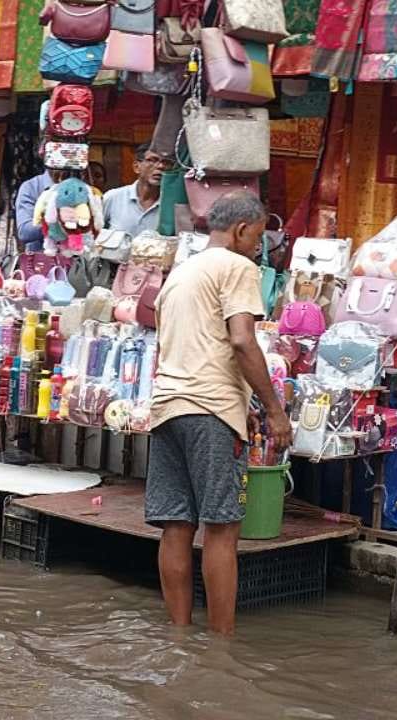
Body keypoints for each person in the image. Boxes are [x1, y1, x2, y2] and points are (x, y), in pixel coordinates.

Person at [146, 190, 293, 634]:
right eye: (258, 236)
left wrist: (241, 401)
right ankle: (221, 645)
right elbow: (243, 340)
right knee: (222, 527)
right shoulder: (237, 267)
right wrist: (274, 410)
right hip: (208, 411)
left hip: (167, 407)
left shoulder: (181, 272)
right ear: (243, 229)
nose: (259, 246)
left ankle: (179, 633)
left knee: (176, 524)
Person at [102, 143, 167, 236]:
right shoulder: (113, 198)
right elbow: (93, 232)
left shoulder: (170, 205)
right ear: (136, 167)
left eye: (165, 162)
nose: (160, 166)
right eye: (152, 160)